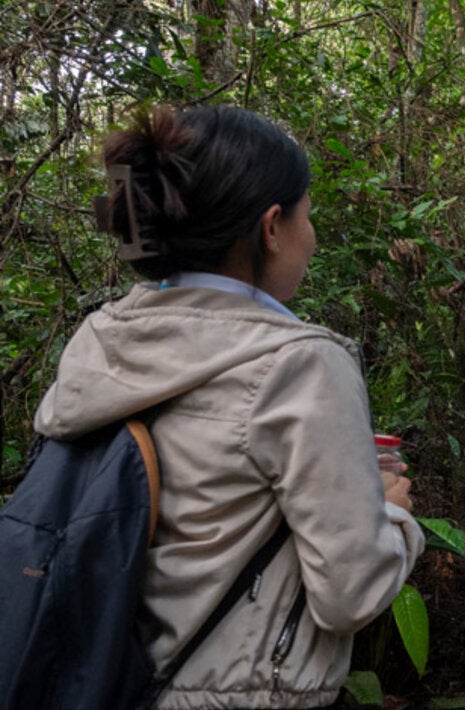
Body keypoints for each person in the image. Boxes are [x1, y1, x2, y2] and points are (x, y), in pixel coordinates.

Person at [33, 105, 425, 708]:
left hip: (109, 682)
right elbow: (351, 594)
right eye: (307, 216)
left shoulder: (102, 342)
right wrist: (391, 515)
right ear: (272, 227)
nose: (312, 238)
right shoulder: (300, 366)